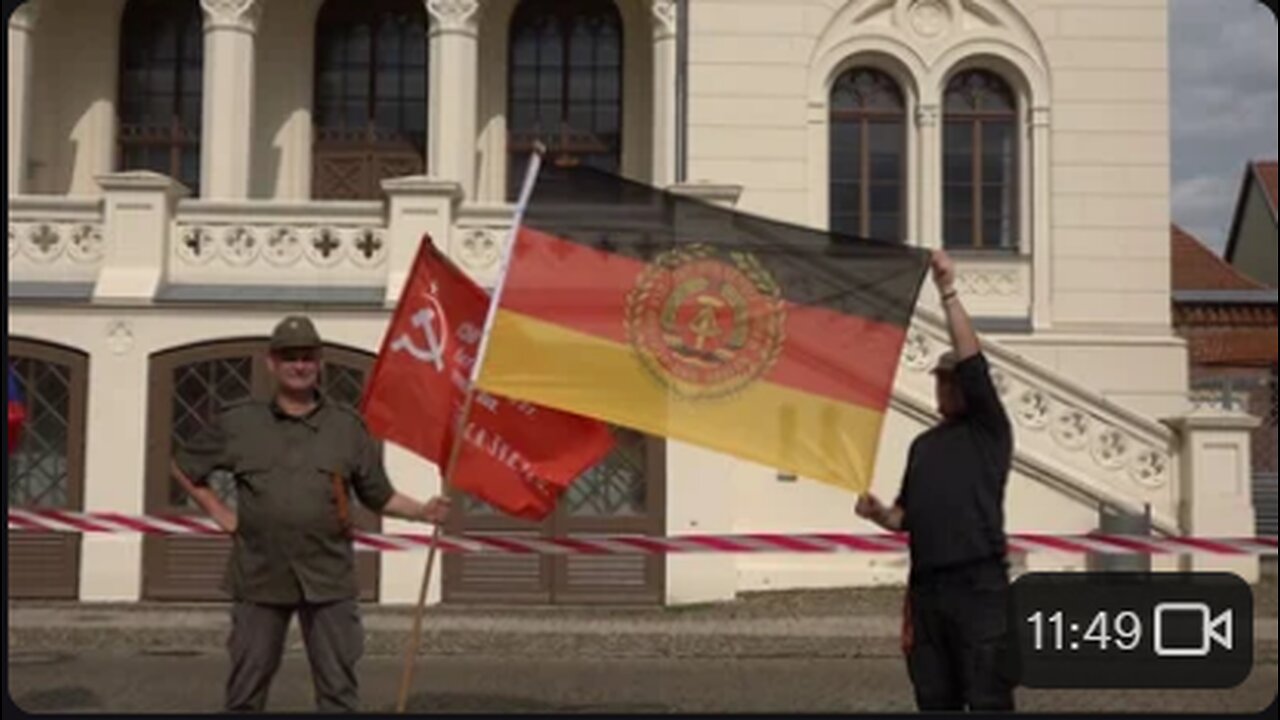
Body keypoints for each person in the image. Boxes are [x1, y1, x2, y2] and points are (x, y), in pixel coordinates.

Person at [172, 315, 451, 713]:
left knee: (338, 690)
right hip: (260, 577)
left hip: (329, 578)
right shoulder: (240, 423)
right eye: (290, 358)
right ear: (272, 363)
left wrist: (422, 512)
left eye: (307, 357)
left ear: (319, 363)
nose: (299, 366)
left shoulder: (347, 427)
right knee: (246, 691)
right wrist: (217, 510)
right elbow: (184, 465)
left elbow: (378, 495)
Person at [856, 250, 1017, 712]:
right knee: (934, 699)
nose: (943, 388)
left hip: (979, 586)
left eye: (950, 381)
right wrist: (880, 513)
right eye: (940, 381)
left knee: (987, 698)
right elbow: (904, 517)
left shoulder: (989, 430)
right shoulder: (923, 446)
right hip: (927, 592)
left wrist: (948, 291)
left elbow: (972, 361)